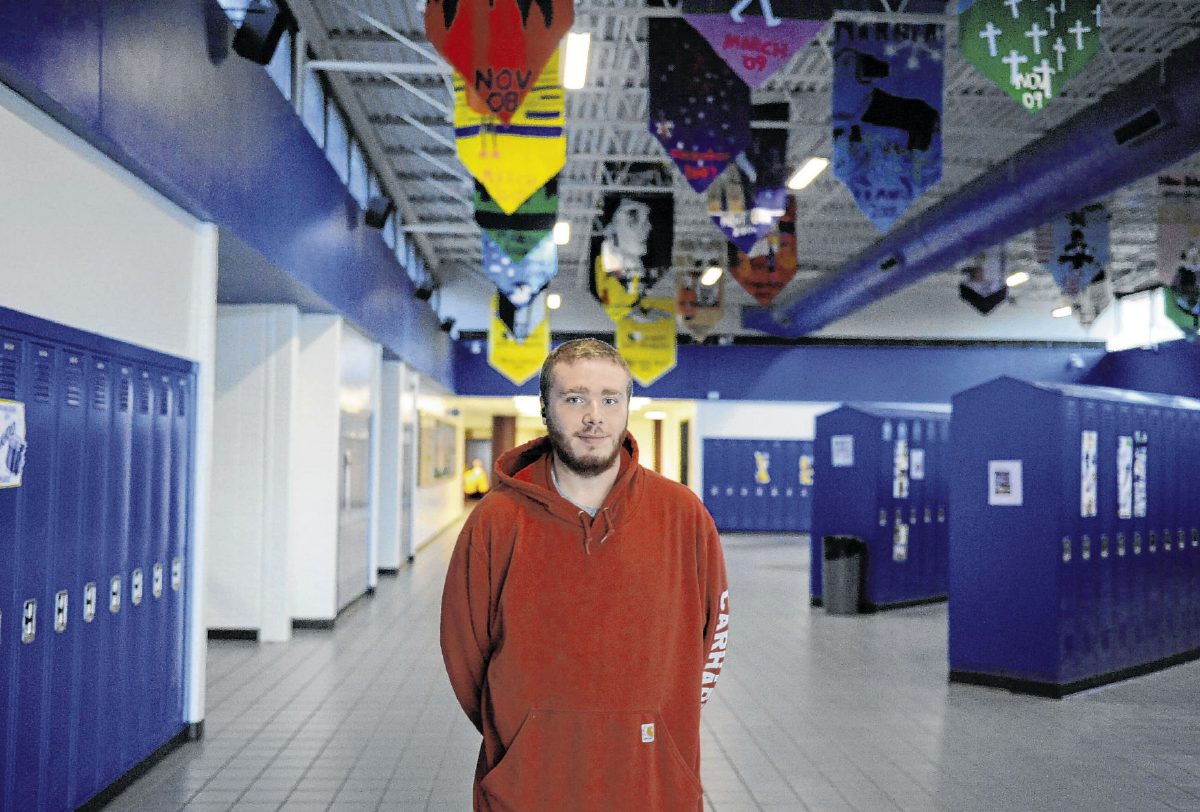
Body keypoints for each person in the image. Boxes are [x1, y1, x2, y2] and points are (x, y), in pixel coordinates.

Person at [440, 338, 730, 811]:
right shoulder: (496, 519)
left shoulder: (682, 514)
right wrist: (523, 735)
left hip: (651, 779)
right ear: (546, 408)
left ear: (626, 407)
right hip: (530, 782)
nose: (594, 415)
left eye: (610, 399)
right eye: (574, 398)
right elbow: (463, 649)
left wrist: (660, 714)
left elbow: (712, 632)